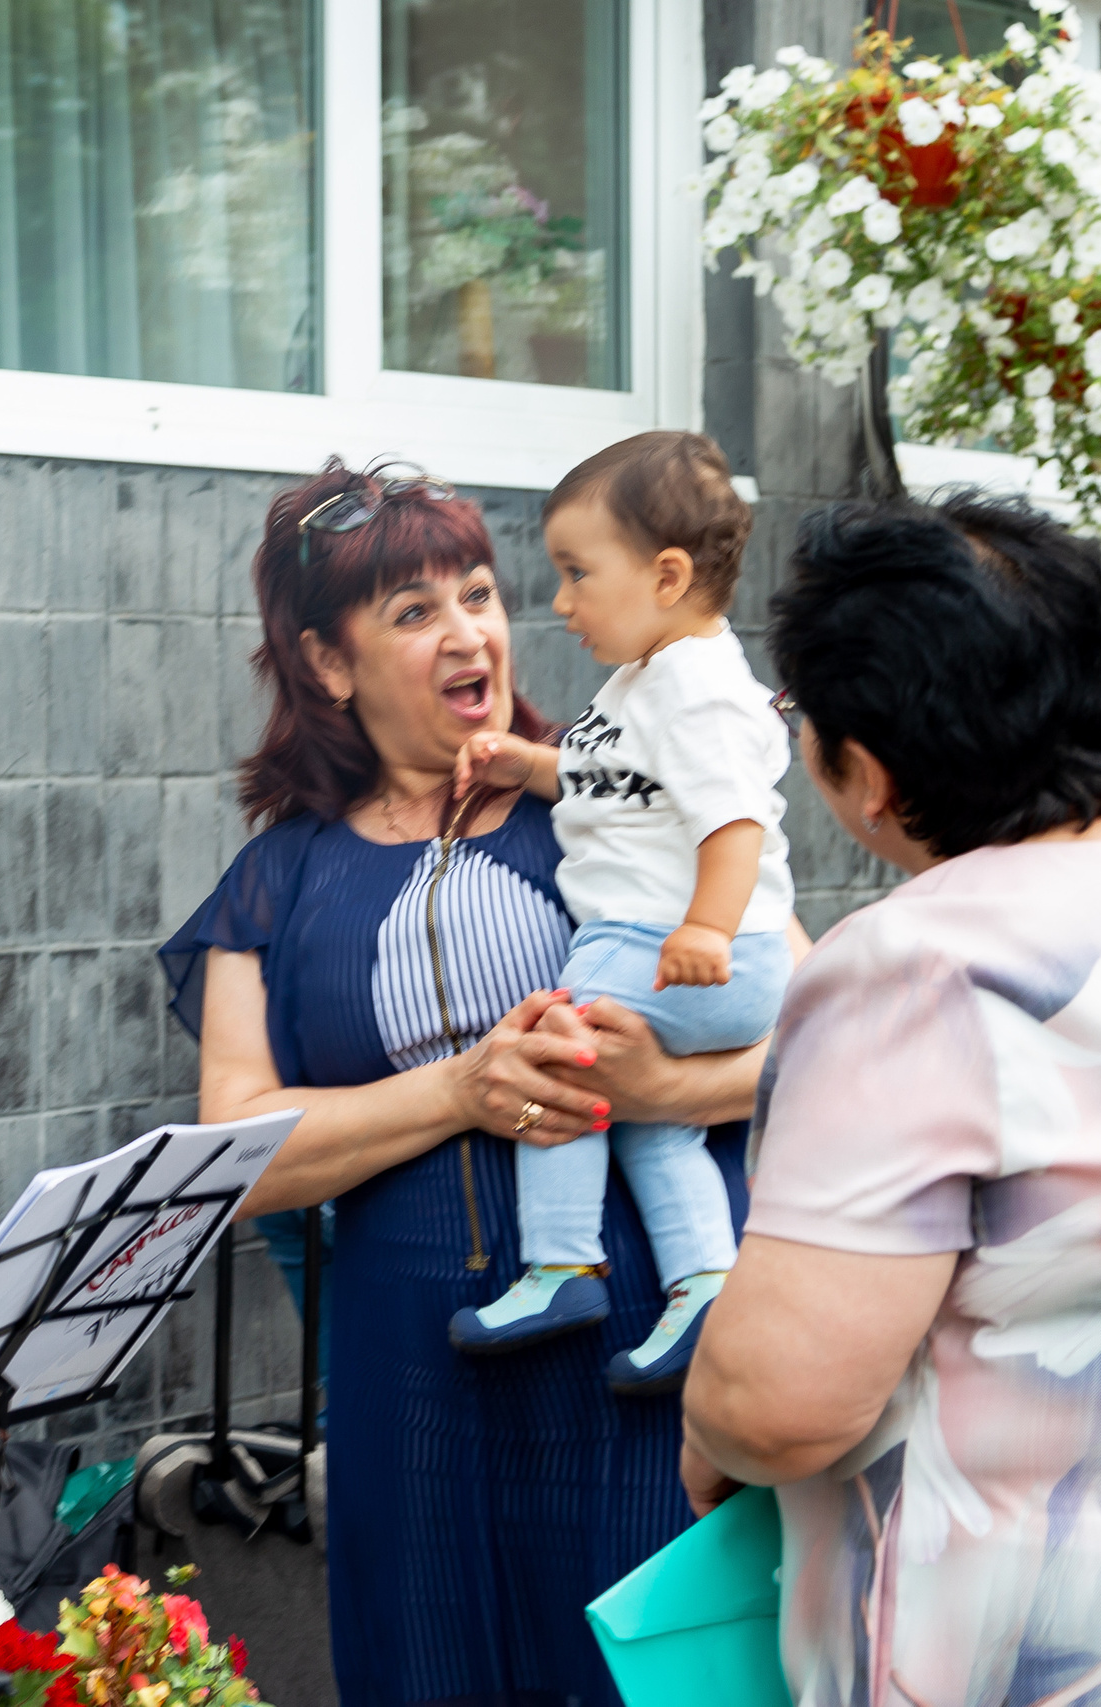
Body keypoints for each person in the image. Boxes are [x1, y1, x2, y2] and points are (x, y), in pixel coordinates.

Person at [159, 459, 783, 1707]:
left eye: (481, 593)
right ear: (329, 664)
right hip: (409, 1386)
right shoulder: (275, 880)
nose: (472, 632)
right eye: (413, 610)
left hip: (639, 1362)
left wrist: (658, 1089)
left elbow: (820, 1038)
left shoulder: (619, 796)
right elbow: (233, 1147)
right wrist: (459, 1090)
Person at [683, 494, 1101, 1702]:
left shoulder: (917, 964)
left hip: (1025, 1660)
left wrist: (711, 1422)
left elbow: (780, 1403)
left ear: (863, 774)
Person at [448, 432, 792, 1394]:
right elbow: (618, 783)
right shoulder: (652, 676)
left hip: (694, 949)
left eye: (576, 574)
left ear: (668, 573)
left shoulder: (697, 687)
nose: (559, 604)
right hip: (679, 947)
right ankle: (705, 1283)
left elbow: (735, 823)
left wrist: (705, 929)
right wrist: (531, 764)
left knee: (559, 1044)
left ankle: (560, 1263)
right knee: (649, 1119)